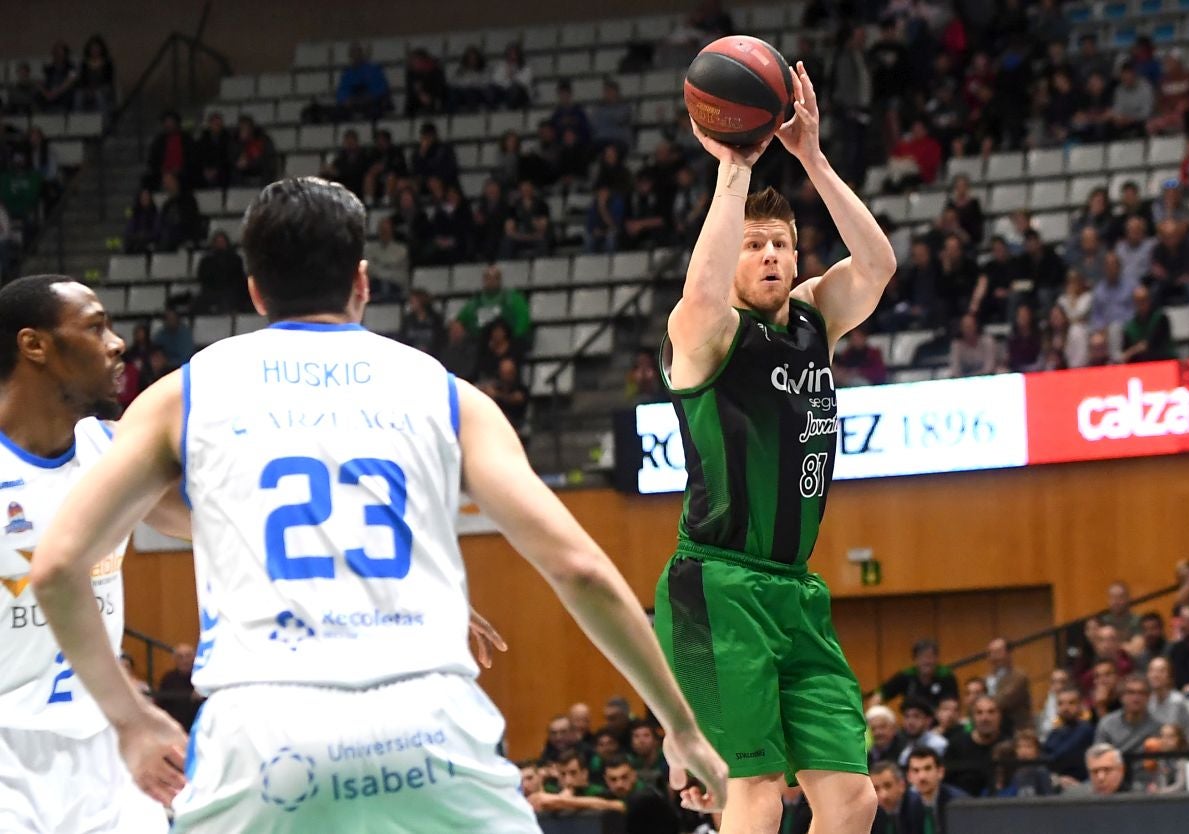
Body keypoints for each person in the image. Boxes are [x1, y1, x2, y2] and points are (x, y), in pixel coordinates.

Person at [29, 177, 728, 830]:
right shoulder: (445, 391)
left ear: (255, 291)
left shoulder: (182, 394)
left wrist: (131, 720)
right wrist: (681, 726)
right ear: (362, 281)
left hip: (262, 728)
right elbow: (578, 568)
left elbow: (58, 565)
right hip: (427, 717)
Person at [654, 62, 894, 831]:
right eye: (753, 244)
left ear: (796, 258)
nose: (768, 256)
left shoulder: (814, 318)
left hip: (795, 590)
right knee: (755, 790)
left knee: (853, 799)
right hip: (718, 583)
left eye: (781, 245)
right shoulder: (706, 333)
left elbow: (879, 266)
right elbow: (700, 292)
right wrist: (735, 167)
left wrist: (812, 159)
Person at [0, 275, 186, 833]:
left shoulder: (112, 449)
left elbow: (215, 526)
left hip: (108, 746)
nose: (117, 343)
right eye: (96, 327)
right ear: (35, 345)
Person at [943, 695, 1006, 796]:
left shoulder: (1008, 746)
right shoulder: (956, 745)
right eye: (979, 713)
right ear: (972, 718)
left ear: (1000, 716)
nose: (985, 718)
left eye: (991, 712)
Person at [456, 264, 531, 346]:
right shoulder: (475, 302)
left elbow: (523, 320)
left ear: (500, 280)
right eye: (488, 278)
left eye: (495, 278)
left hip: (509, 343)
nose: (491, 281)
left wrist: (513, 340)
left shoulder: (513, 298)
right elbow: (460, 321)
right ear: (484, 280)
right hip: (481, 344)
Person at [873, 640, 960, 710]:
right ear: (915, 660)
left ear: (937, 659)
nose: (927, 661)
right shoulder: (905, 675)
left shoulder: (946, 676)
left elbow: (952, 705)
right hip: (911, 723)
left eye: (930, 657)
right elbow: (879, 696)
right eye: (922, 657)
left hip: (939, 723)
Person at [899, 747, 966, 834]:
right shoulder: (908, 805)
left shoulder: (958, 803)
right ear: (909, 777)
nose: (922, 776)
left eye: (927, 769)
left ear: (940, 772)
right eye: (916, 770)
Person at [1041, 686, 1093, 782]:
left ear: (1081, 705)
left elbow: (1059, 758)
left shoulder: (1085, 729)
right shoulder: (1054, 733)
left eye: (1071, 703)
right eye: (1061, 704)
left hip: (1082, 783)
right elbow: (1043, 758)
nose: (1065, 708)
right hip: (1058, 782)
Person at [986, 638, 1032, 732]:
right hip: (994, 731)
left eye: (997, 652)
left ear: (1009, 653)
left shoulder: (1019, 676)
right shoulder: (986, 678)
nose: (994, 656)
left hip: (1018, 730)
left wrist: (984, 702)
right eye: (991, 653)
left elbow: (1002, 702)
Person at [336, 43, 390, 121]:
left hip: (371, 103)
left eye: (358, 53)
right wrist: (345, 100)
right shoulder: (347, 73)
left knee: (374, 110)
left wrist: (369, 97)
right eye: (353, 53)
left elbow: (381, 89)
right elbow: (342, 91)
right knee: (338, 112)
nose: (356, 56)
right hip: (353, 103)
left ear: (361, 54)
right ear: (350, 56)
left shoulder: (373, 69)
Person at [155, 643, 203, 731]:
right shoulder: (168, 678)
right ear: (175, 660)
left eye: (188, 656)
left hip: (198, 726)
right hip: (174, 728)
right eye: (180, 657)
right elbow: (160, 704)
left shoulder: (202, 678)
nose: (185, 661)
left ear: (194, 658)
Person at [867, 761, 904, 834]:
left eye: (888, 786)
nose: (883, 795)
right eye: (876, 789)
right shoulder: (871, 816)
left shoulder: (915, 807)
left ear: (901, 785)